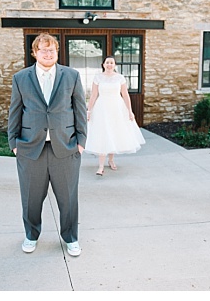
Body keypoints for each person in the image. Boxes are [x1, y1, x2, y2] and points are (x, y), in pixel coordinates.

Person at [8, 33, 87, 257]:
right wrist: (14, 143)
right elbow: (15, 111)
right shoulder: (21, 78)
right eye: (43, 50)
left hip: (66, 147)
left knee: (69, 198)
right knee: (31, 198)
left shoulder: (71, 76)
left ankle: (71, 238)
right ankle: (31, 235)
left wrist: (81, 141)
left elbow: (80, 110)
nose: (48, 53)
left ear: (57, 51)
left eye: (51, 49)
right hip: (30, 149)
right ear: (34, 53)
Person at [84, 56, 146, 175]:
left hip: (117, 108)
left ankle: (111, 160)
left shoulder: (120, 78)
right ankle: (101, 167)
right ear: (103, 64)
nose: (109, 65)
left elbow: (125, 95)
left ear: (114, 65)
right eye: (107, 62)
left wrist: (130, 111)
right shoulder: (98, 77)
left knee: (113, 133)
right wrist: (89, 110)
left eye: (111, 63)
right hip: (102, 108)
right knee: (103, 134)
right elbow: (93, 95)